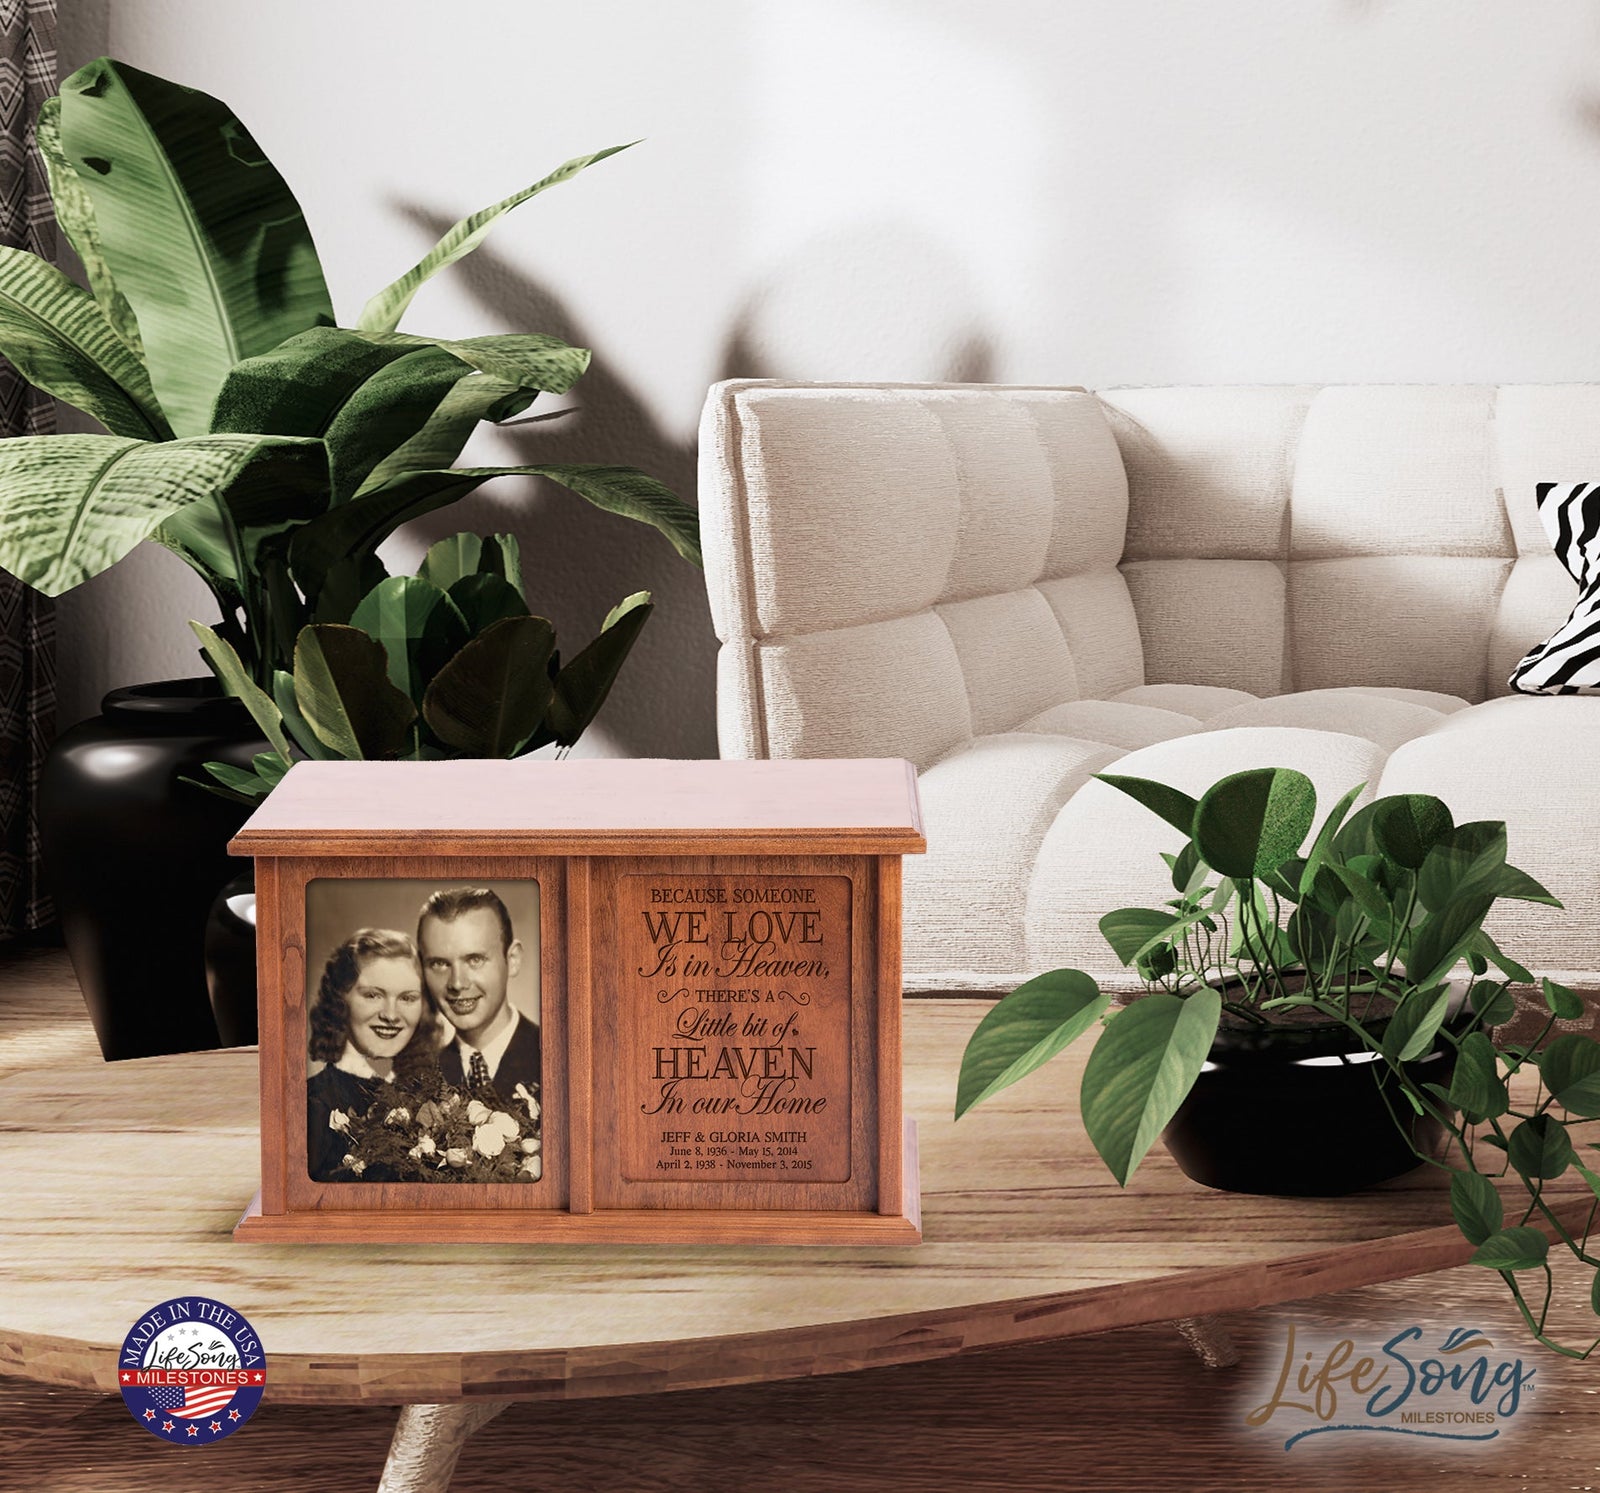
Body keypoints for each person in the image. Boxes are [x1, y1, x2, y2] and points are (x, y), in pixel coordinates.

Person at [306, 928, 438, 1182]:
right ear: (340, 999)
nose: (391, 1015)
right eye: (373, 995)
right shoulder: (314, 1105)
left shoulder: (428, 1092)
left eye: (407, 998)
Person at [417, 887, 541, 1100]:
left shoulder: (561, 1061)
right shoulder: (417, 1084)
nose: (457, 983)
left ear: (512, 960)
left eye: (475, 960)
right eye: (439, 964)